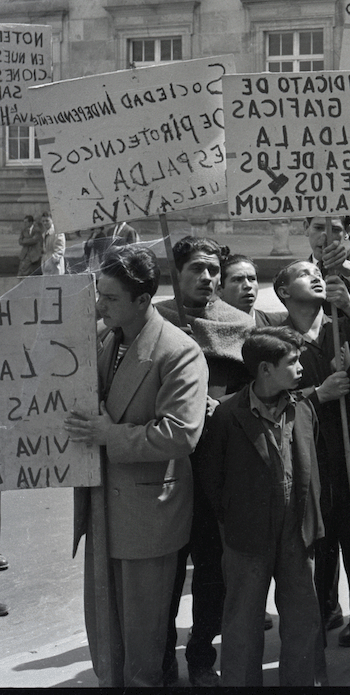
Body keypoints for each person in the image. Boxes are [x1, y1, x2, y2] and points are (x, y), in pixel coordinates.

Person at [67, 246, 207, 687]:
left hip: (148, 514)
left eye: (108, 297)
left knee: (142, 642)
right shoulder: (109, 339)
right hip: (103, 506)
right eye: (99, 295)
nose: (99, 305)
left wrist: (110, 436)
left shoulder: (178, 352)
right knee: (108, 631)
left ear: (143, 300)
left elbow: (180, 434)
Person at [275, 259, 350, 686]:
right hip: (308, 470)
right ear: (284, 292)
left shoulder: (341, 324)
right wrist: (317, 394)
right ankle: (311, 657)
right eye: (301, 273)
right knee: (313, 569)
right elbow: (269, 401)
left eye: (316, 271)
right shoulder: (275, 337)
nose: (314, 276)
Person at [197, 327, 324, 687]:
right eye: (292, 361)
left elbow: (314, 465)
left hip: (297, 532)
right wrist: (234, 518)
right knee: (242, 621)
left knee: (302, 618)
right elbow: (213, 477)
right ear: (265, 369)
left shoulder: (303, 408)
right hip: (246, 535)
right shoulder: (226, 414)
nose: (300, 368)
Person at [157, 236, 255, 687]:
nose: (207, 278)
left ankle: (200, 653)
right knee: (166, 571)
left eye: (214, 270)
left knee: (212, 570)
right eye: (196, 269)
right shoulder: (156, 320)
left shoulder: (239, 323)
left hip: (218, 469)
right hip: (166, 467)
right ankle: (159, 657)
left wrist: (227, 405)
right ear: (176, 273)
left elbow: (259, 390)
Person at [218, 252, 284, 326]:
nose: (248, 285)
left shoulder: (277, 324)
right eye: (238, 280)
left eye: (252, 279)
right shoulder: (211, 326)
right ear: (219, 290)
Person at [38, 210, 65, 275]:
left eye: (47, 221)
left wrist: (53, 260)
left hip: (55, 266)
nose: (45, 223)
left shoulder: (57, 232)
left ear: (52, 220)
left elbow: (60, 250)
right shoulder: (45, 233)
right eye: (43, 221)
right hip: (46, 263)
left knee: (56, 283)